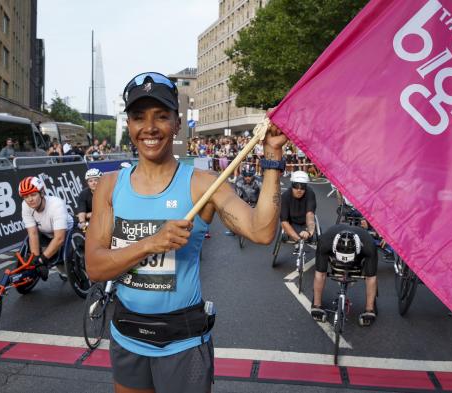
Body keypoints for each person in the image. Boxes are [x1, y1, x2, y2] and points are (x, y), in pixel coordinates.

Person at [85, 71, 286, 393]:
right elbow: (95, 266)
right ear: (130, 125)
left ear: (177, 124)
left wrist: (273, 155)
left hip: (182, 341)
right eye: (139, 118)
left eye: (161, 117)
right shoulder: (109, 186)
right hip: (127, 334)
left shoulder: (203, 185)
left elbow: (261, 232)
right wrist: (150, 244)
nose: (149, 128)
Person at [311, 225, 378, 327]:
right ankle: (316, 302)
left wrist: (369, 310)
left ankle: (370, 306)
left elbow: (371, 278)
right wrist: (316, 306)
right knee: (321, 271)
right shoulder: (325, 242)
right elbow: (320, 274)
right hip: (334, 252)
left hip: (358, 257)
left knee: (370, 274)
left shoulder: (369, 245)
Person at [19, 176, 74, 280]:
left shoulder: (56, 204)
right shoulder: (25, 206)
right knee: (35, 254)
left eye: (33, 195)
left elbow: (59, 238)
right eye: (26, 197)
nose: (30, 199)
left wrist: (42, 260)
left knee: (61, 260)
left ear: (42, 193)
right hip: (46, 232)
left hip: (67, 232)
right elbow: (33, 233)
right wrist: (36, 260)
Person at [280, 171, 316, 243]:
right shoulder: (285, 196)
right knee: (287, 237)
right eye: (296, 186)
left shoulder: (310, 193)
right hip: (292, 222)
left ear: (306, 187)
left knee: (310, 238)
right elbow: (284, 221)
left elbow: (310, 214)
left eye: (302, 187)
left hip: (305, 221)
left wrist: (309, 232)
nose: (299, 190)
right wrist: (298, 239)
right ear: (292, 185)